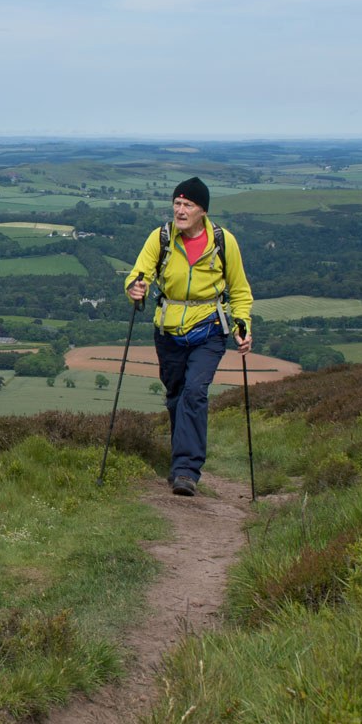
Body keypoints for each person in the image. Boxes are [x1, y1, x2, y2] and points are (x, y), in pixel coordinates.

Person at [125, 177, 253, 496]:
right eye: (177, 204)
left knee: (195, 392)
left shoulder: (224, 242)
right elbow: (138, 274)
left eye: (188, 205)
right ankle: (179, 458)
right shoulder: (162, 238)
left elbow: (239, 290)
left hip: (208, 329)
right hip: (167, 331)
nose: (180, 210)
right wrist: (134, 289)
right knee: (175, 396)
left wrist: (242, 323)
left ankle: (186, 470)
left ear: (202, 211)